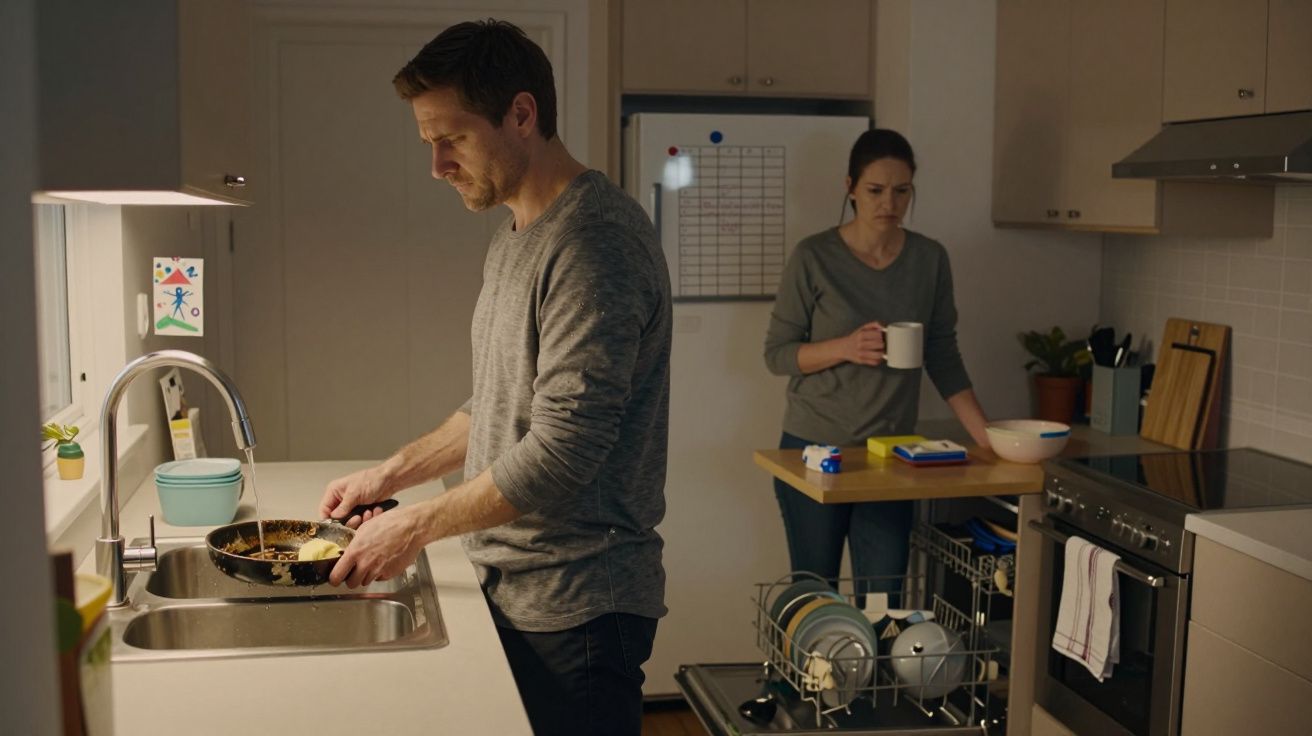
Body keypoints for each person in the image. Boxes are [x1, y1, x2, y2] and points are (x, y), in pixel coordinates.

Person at [317, 20, 672, 736]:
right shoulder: (518, 236)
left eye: (453, 139)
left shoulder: (593, 244)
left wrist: (413, 528)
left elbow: (564, 450)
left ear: (522, 114)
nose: (438, 165)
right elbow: (501, 405)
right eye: (429, 144)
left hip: (579, 609)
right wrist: (390, 476)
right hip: (518, 589)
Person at [762, 128, 989, 600]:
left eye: (901, 191)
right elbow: (778, 354)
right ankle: (810, 677)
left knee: (885, 600)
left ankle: (872, 678)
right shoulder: (814, 256)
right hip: (815, 448)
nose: (889, 202)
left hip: (892, 453)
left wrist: (987, 437)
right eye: (876, 190)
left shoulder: (929, 259)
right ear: (850, 187)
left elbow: (942, 353)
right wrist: (843, 347)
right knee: (815, 596)